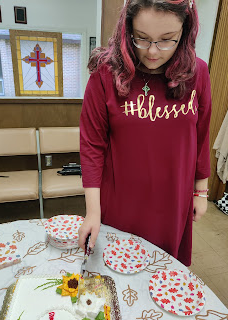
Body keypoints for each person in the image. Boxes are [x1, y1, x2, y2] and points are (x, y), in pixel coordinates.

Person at [78, 0, 211, 266]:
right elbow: (92, 147)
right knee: (119, 271)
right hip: (121, 201)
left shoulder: (198, 73)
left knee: (163, 276)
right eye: (142, 38)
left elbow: (202, 134)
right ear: (127, 29)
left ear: (185, 33)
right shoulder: (105, 74)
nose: (152, 52)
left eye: (166, 40)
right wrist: (92, 212)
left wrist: (201, 191)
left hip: (173, 200)